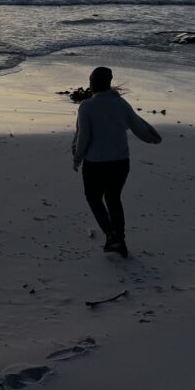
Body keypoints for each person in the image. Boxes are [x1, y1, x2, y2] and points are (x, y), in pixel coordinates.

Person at [72, 66, 162, 257]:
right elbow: (138, 126)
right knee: (113, 199)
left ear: (92, 83)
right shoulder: (121, 104)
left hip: (95, 164)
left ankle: (112, 236)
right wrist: (154, 137)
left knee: (94, 198)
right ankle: (119, 240)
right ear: (109, 82)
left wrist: (77, 157)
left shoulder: (86, 106)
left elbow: (83, 137)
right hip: (121, 163)